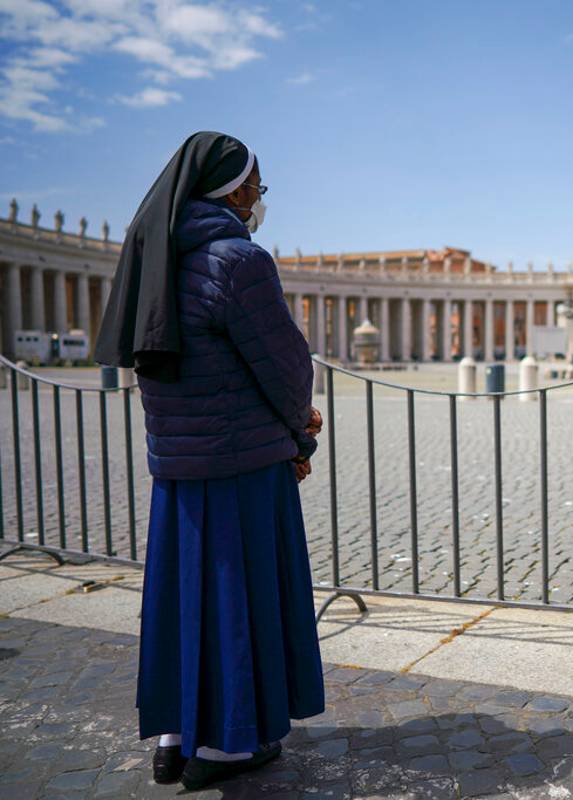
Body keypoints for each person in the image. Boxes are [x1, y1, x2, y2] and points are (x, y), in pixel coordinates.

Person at [95, 132, 325, 790]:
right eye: (259, 186)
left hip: (177, 465)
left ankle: (173, 735)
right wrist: (301, 436)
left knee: (182, 599)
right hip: (242, 463)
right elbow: (285, 368)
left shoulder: (153, 255)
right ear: (234, 190)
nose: (260, 200)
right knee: (238, 598)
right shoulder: (237, 259)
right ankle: (227, 747)